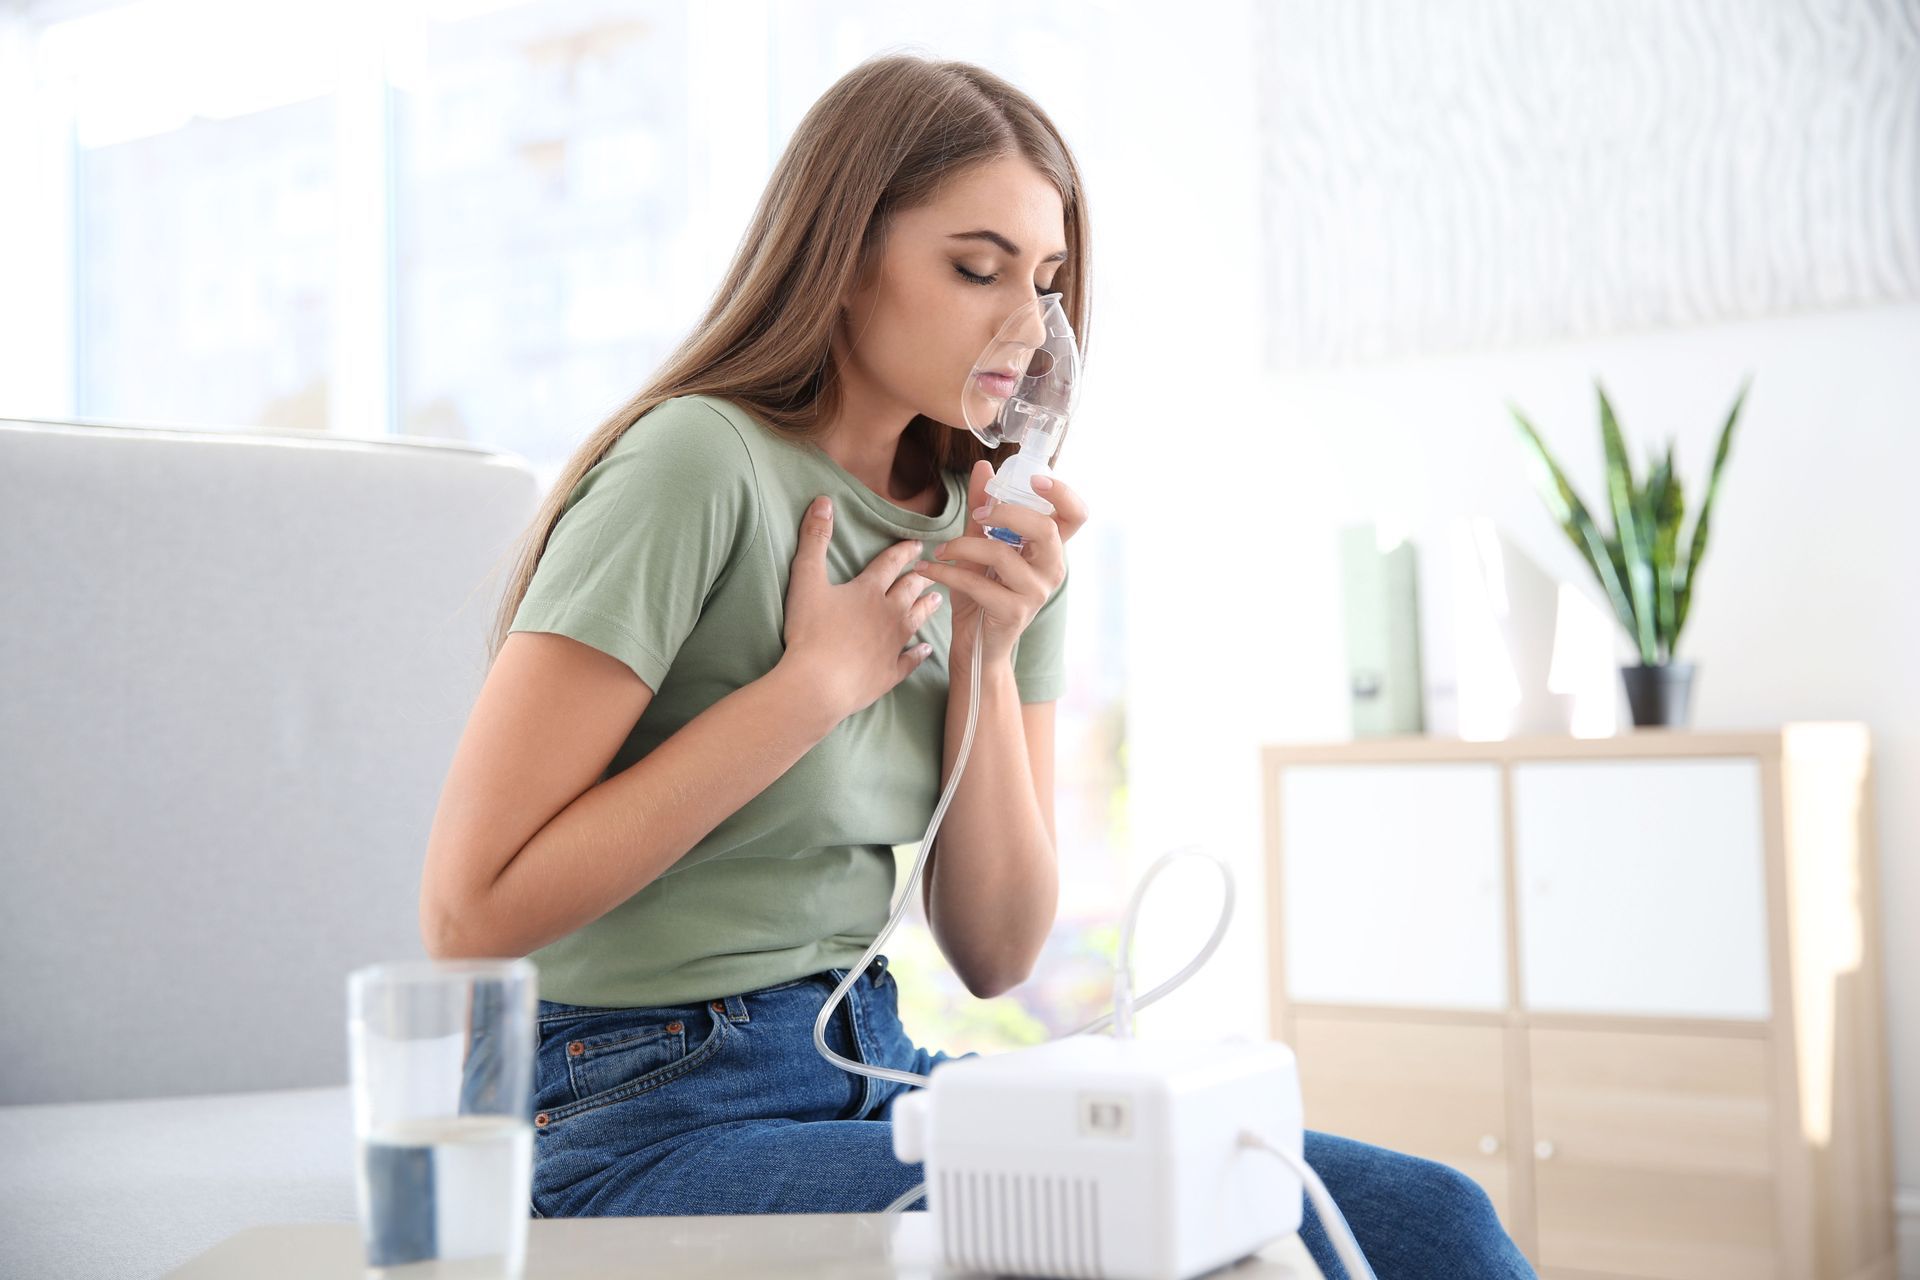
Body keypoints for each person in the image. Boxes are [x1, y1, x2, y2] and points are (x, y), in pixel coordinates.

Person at [418, 52, 1535, 1278]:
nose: (1028, 325)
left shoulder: (996, 527)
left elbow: (997, 950)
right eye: (976, 267)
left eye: (1048, 282)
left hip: (871, 1063)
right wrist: (811, 690)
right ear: (843, 257)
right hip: (631, 1111)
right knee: (1168, 1237)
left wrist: (992, 655)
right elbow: (469, 912)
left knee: (1431, 1217)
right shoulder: (699, 465)